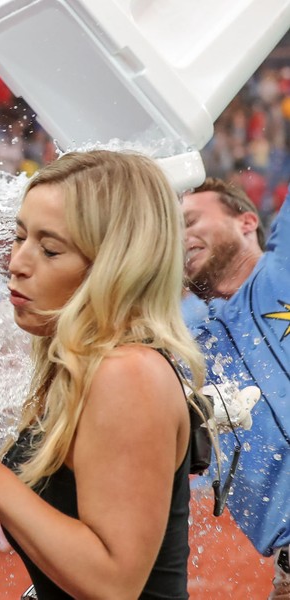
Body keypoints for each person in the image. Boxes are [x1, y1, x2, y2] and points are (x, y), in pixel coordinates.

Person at [0, 150, 209, 598]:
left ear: (115, 265)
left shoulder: (127, 374)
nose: (17, 262)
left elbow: (115, 583)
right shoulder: (86, 366)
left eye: (50, 249)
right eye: (19, 238)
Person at [181, 177, 289, 599]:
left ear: (246, 221)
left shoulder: (283, 265)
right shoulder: (175, 339)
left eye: (190, 220)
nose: (179, 238)